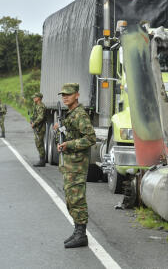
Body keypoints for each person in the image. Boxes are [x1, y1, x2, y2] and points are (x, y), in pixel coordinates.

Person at [54, 83, 96, 249]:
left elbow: (91, 138)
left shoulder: (80, 114)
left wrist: (69, 144)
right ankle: (77, 230)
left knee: (77, 198)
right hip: (70, 164)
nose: (65, 97)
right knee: (71, 198)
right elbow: (71, 134)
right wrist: (60, 132)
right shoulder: (70, 113)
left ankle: (81, 234)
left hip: (78, 164)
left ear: (77, 95)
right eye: (63, 94)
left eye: (69, 94)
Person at [31, 92, 47, 167]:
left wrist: (34, 123)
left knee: (39, 143)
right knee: (38, 143)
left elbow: (41, 117)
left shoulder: (41, 106)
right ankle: (42, 159)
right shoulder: (36, 105)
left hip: (40, 127)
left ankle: (42, 161)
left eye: (35, 97)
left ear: (39, 98)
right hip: (38, 127)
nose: (34, 98)